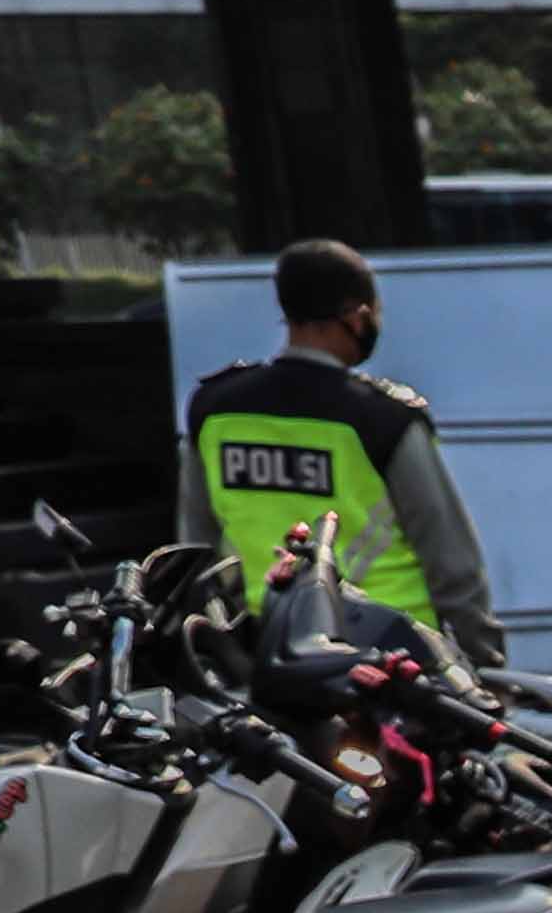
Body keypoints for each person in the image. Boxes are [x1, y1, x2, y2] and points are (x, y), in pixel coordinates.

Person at [182, 237, 503, 667]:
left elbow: (195, 552)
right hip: (393, 658)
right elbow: (452, 564)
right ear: (358, 315)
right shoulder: (382, 419)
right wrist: (482, 665)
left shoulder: (213, 411)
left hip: (273, 656)